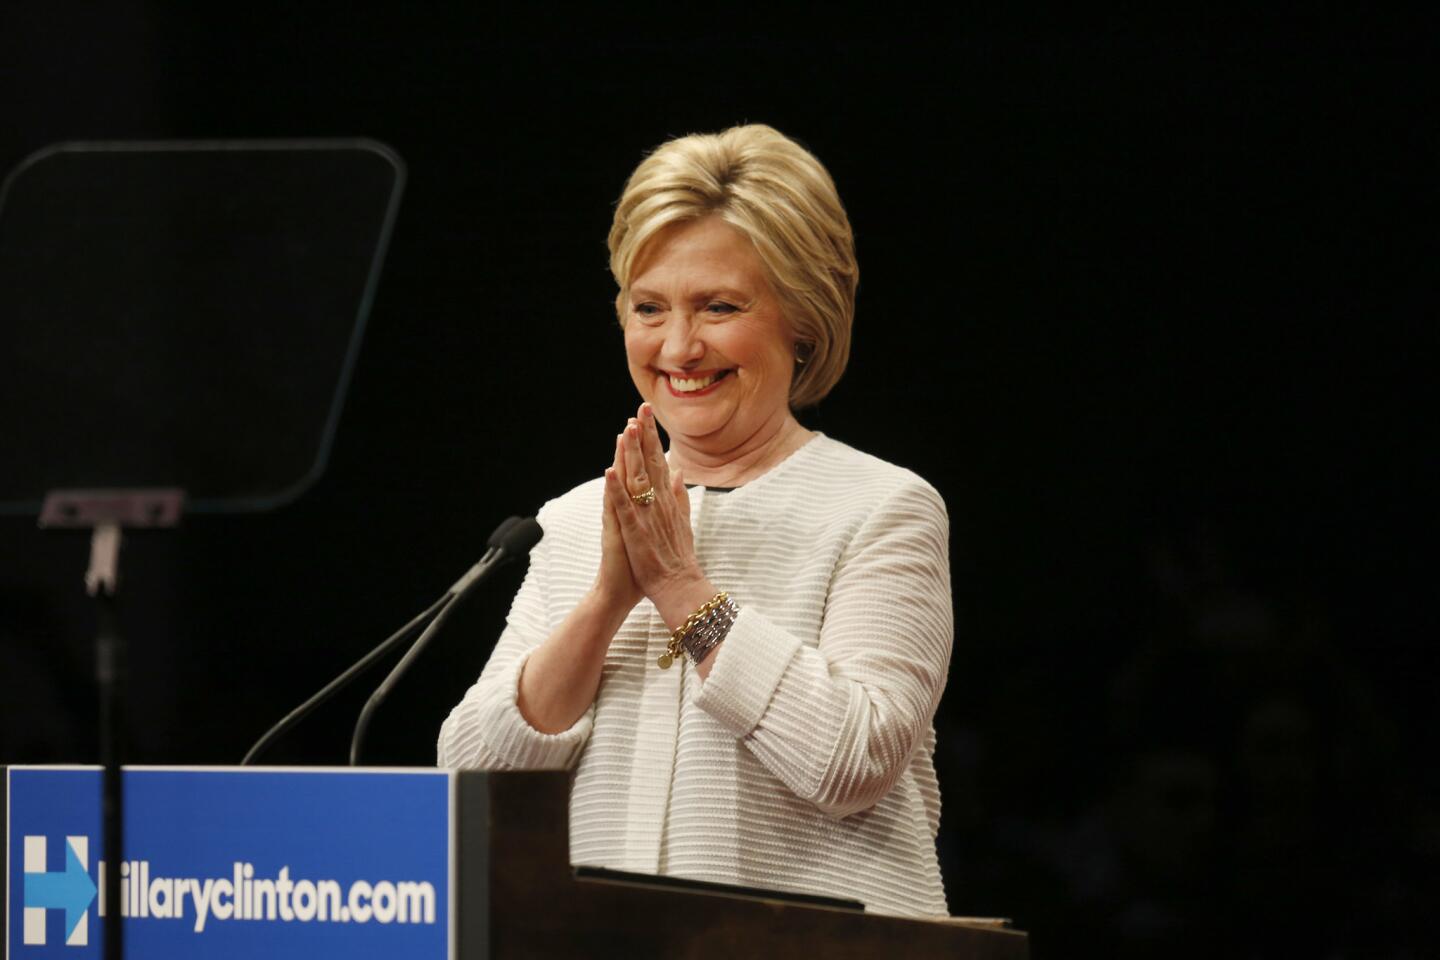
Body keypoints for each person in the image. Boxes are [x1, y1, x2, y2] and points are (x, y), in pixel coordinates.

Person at [438, 123, 953, 917]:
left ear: (802, 319)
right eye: (649, 307)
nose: (678, 346)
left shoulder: (881, 508)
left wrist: (681, 589)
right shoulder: (575, 522)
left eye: (719, 306)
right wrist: (608, 600)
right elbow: (472, 783)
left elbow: (853, 760)